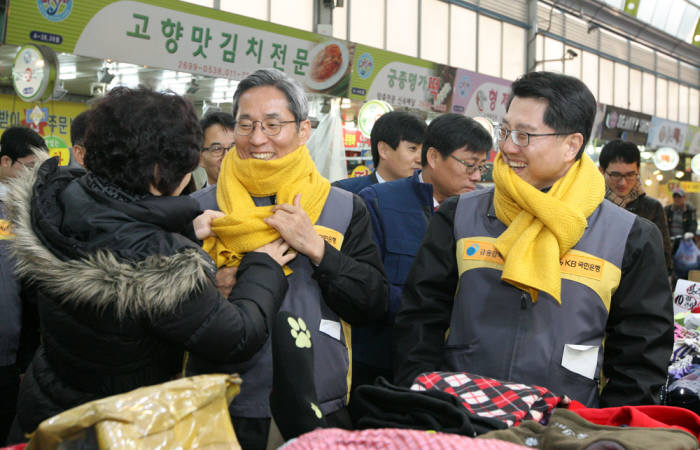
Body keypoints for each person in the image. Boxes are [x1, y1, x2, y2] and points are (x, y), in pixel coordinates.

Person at [4, 87, 290, 444]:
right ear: (159, 172)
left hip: (46, 410)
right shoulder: (163, 265)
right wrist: (263, 266)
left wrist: (183, 230)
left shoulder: (62, 201)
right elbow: (237, 337)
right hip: (115, 430)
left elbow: (115, 231)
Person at [393, 71, 673, 408]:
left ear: (572, 144)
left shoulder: (630, 237)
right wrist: (423, 402)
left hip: (565, 429)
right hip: (460, 421)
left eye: (525, 135)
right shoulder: (459, 217)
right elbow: (420, 320)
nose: (509, 147)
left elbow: (640, 358)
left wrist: (603, 432)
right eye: (506, 130)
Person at [187, 68, 388, 450]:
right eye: (245, 125)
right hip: (221, 403)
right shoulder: (200, 213)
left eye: (272, 124)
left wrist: (317, 249)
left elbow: (372, 302)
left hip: (317, 400)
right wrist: (205, 286)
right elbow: (159, 310)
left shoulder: (343, 208)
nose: (257, 138)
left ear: (303, 131)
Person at [353, 113, 490, 388]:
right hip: (380, 362)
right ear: (434, 158)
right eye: (469, 165)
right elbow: (366, 285)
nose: (476, 176)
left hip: (452, 366)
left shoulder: (484, 214)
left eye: (482, 167)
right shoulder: (378, 202)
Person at [0, 126, 47, 444]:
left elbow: (32, 289)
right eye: (28, 168)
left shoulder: (33, 212)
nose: (33, 177)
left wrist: (26, 356)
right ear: (5, 162)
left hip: (10, 356)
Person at [598, 139, 673, 273]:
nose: (623, 182)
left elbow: (663, 257)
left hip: (637, 287)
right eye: (615, 175)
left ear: (638, 169)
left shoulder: (652, 208)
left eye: (630, 175)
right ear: (601, 170)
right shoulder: (592, 205)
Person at [333, 111, 426, 194]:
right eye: (413, 148)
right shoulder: (344, 193)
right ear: (384, 150)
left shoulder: (427, 198)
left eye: (424, 150)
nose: (420, 159)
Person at [198, 111, 236, 189]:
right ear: (200, 158)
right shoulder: (195, 200)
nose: (226, 157)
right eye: (217, 149)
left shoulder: (260, 199)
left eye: (233, 147)